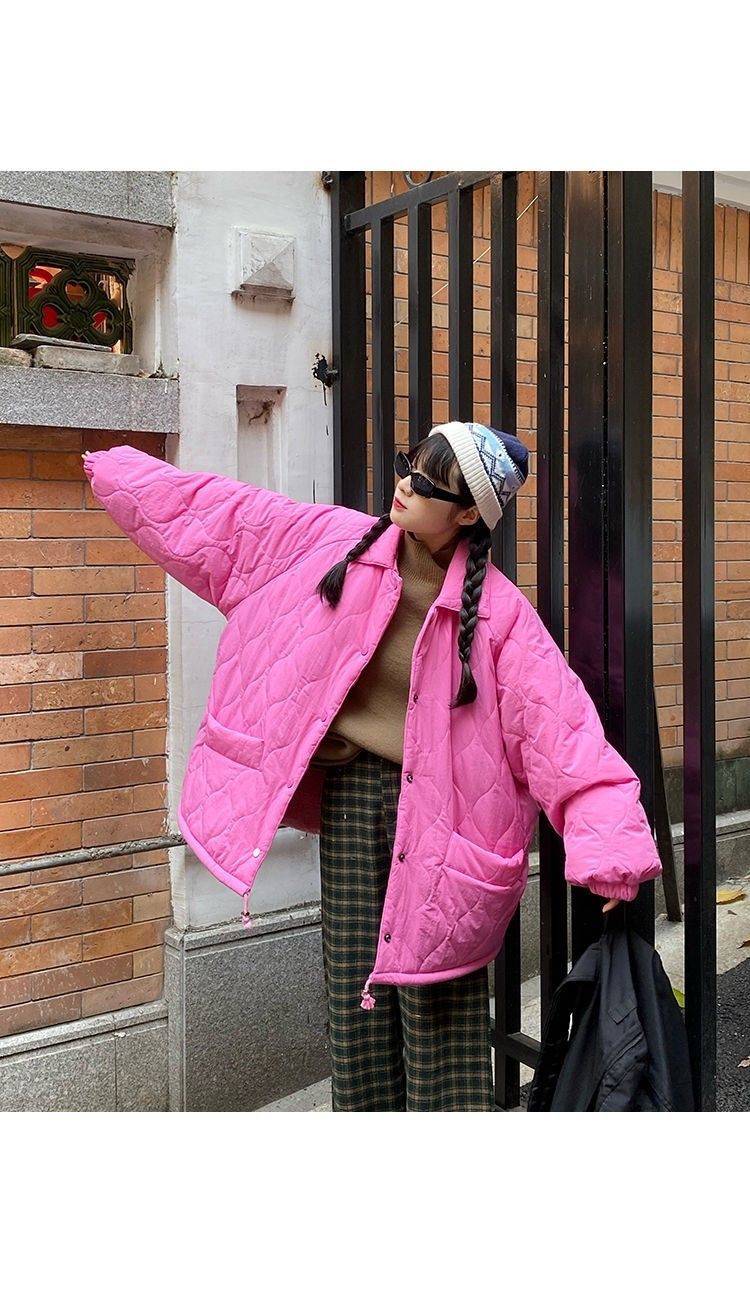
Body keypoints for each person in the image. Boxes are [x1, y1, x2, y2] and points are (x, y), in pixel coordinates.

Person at [82, 421, 662, 1113]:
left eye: (429, 482)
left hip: (450, 828)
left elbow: (563, 733)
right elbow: (222, 521)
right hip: (355, 804)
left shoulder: (501, 618)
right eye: (409, 465)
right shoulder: (327, 542)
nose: (406, 484)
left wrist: (611, 849)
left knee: (440, 1008)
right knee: (355, 996)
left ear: (468, 514)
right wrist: (119, 470)